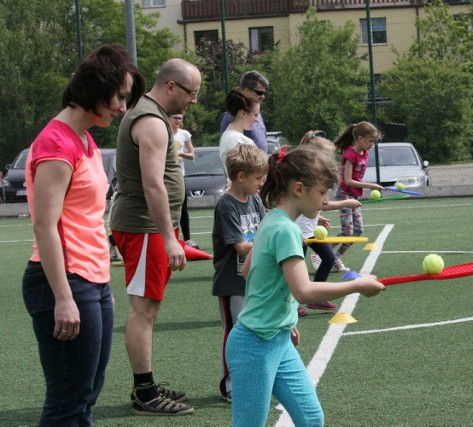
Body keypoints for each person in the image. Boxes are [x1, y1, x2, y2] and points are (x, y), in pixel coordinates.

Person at [22, 44, 144, 426]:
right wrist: (63, 297)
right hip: (65, 282)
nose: (124, 107)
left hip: (93, 279)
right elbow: (45, 225)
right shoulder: (56, 144)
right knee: (68, 401)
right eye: (120, 96)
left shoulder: (85, 139)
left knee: (86, 394)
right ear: (96, 86)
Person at [225, 146, 385, 426]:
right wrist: (357, 285)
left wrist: (284, 315)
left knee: (311, 418)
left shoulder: (272, 218)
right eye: (322, 193)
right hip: (255, 345)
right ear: (299, 189)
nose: (325, 201)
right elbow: (304, 291)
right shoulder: (287, 230)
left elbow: (250, 271)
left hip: (278, 338)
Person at [109, 58, 201, 416]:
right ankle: (145, 393)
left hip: (149, 227)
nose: (193, 100)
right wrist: (167, 237)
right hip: (144, 227)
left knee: (148, 307)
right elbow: (152, 183)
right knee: (143, 309)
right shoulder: (150, 121)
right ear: (171, 87)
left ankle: (143, 384)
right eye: (191, 92)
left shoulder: (152, 116)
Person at [213, 143, 268, 404]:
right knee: (235, 334)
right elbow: (241, 246)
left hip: (253, 282)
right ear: (241, 176)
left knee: (255, 333)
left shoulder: (255, 200)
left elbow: (266, 229)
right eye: (258, 178)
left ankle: (253, 380)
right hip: (232, 284)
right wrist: (270, 243)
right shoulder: (227, 205)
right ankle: (231, 386)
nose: (261, 183)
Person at [295, 130, 362, 312]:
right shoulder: (308, 176)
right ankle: (291, 306)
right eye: (327, 156)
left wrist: (317, 217)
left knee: (328, 257)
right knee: (294, 271)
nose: (330, 160)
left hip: (308, 230)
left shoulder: (316, 175)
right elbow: (323, 203)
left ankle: (316, 297)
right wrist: (347, 202)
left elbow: (314, 205)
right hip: (297, 233)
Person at [332, 121, 384, 272]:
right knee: (347, 232)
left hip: (353, 197)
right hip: (344, 196)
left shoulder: (365, 153)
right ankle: (326, 254)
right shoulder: (350, 154)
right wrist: (371, 185)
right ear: (360, 139)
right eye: (370, 141)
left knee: (358, 231)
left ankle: (333, 256)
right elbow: (347, 181)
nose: (372, 144)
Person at [220, 70, 269, 153]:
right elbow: (231, 152)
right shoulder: (232, 116)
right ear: (246, 90)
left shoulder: (257, 114)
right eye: (259, 92)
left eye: (264, 93)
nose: (263, 96)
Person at [219, 89, 260, 183]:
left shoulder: (227, 135)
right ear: (243, 113)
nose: (257, 120)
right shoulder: (237, 140)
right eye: (255, 115)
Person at [170, 113, 198, 249]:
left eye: (180, 118)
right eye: (175, 117)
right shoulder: (163, 132)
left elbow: (192, 155)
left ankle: (187, 239)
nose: (177, 120)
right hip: (165, 175)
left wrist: (181, 154)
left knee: (183, 207)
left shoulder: (184, 134)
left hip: (179, 175)